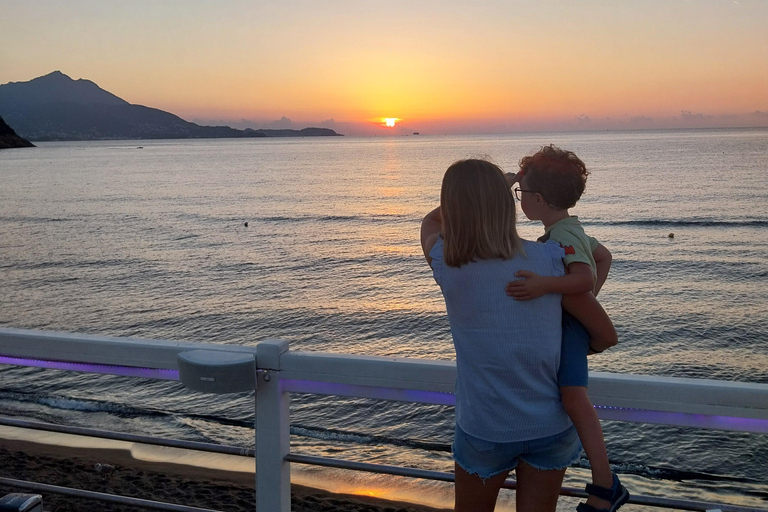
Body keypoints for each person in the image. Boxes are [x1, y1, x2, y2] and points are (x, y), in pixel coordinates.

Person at [421, 159, 618, 512]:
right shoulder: (550, 260)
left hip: (486, 427)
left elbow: (431, 223)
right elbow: (604, 334)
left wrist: (487, 191)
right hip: (548, 426)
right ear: (504, 202)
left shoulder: (448, 264)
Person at [505, 145, 629, 512]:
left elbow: (584, 277)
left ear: (538, 200)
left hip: (570, 330)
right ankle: (604, 481)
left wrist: (547, 287)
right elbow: (603, 256)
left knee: (574, 398)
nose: (519, 200)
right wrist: (588, 298)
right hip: (571, 324)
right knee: (569, 396)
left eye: (521, 193)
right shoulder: (570, 229)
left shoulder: (561, 239)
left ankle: (606, 483)